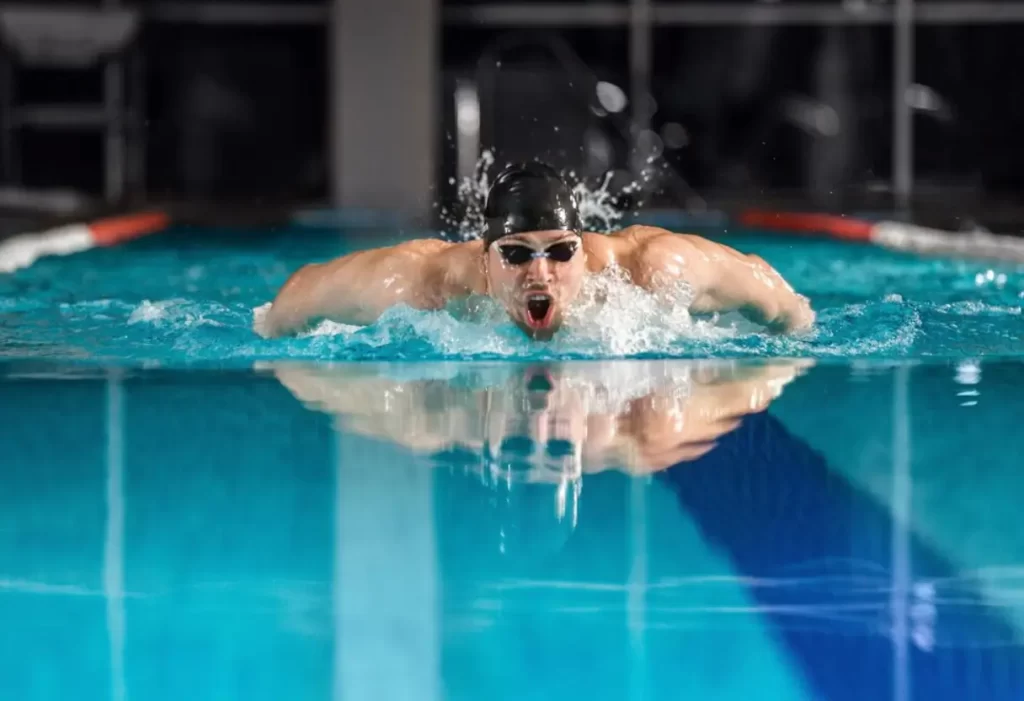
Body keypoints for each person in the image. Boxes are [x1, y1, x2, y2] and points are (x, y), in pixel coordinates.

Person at [259, 162, 814, 339]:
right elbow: (296, 295)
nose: (540, 273)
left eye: (559, 252)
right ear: (483, 258)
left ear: (583, 248)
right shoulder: (421, 283)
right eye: (516, 254)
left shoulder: (651, 272)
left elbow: (781, 301)